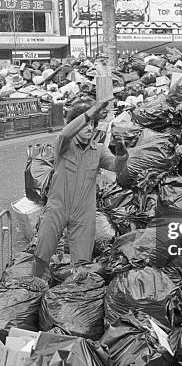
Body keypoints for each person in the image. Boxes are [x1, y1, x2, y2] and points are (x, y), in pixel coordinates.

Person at [33, 99, 128, 279]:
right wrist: (88, 113)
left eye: (92, 124)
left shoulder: (99, 150)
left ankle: (77, 295)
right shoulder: (64, 145)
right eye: (85, 124)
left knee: (82, 262)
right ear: (76, 125)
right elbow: (65, 133)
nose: (89, 127)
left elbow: (117, 167)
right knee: (42, 252)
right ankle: (36, 285)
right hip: (58, 206)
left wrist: (122, 154)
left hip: (84, 211)